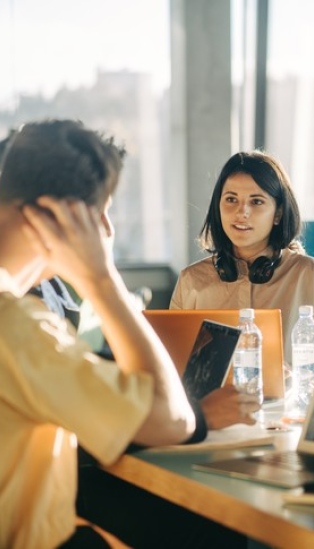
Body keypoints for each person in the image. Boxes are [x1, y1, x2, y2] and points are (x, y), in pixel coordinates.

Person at [0, 119, 198, 547]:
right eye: (102, 213)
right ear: (63, 215)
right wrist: (101, 278)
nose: (107, 230)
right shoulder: (16, 326)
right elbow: (172, 420)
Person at [170, 150, 314, 356]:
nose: (242, 212)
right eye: (231, 199)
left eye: (256, 201)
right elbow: (171, 365)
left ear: (278, 213)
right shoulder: (192, 281)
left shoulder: (311, 276)